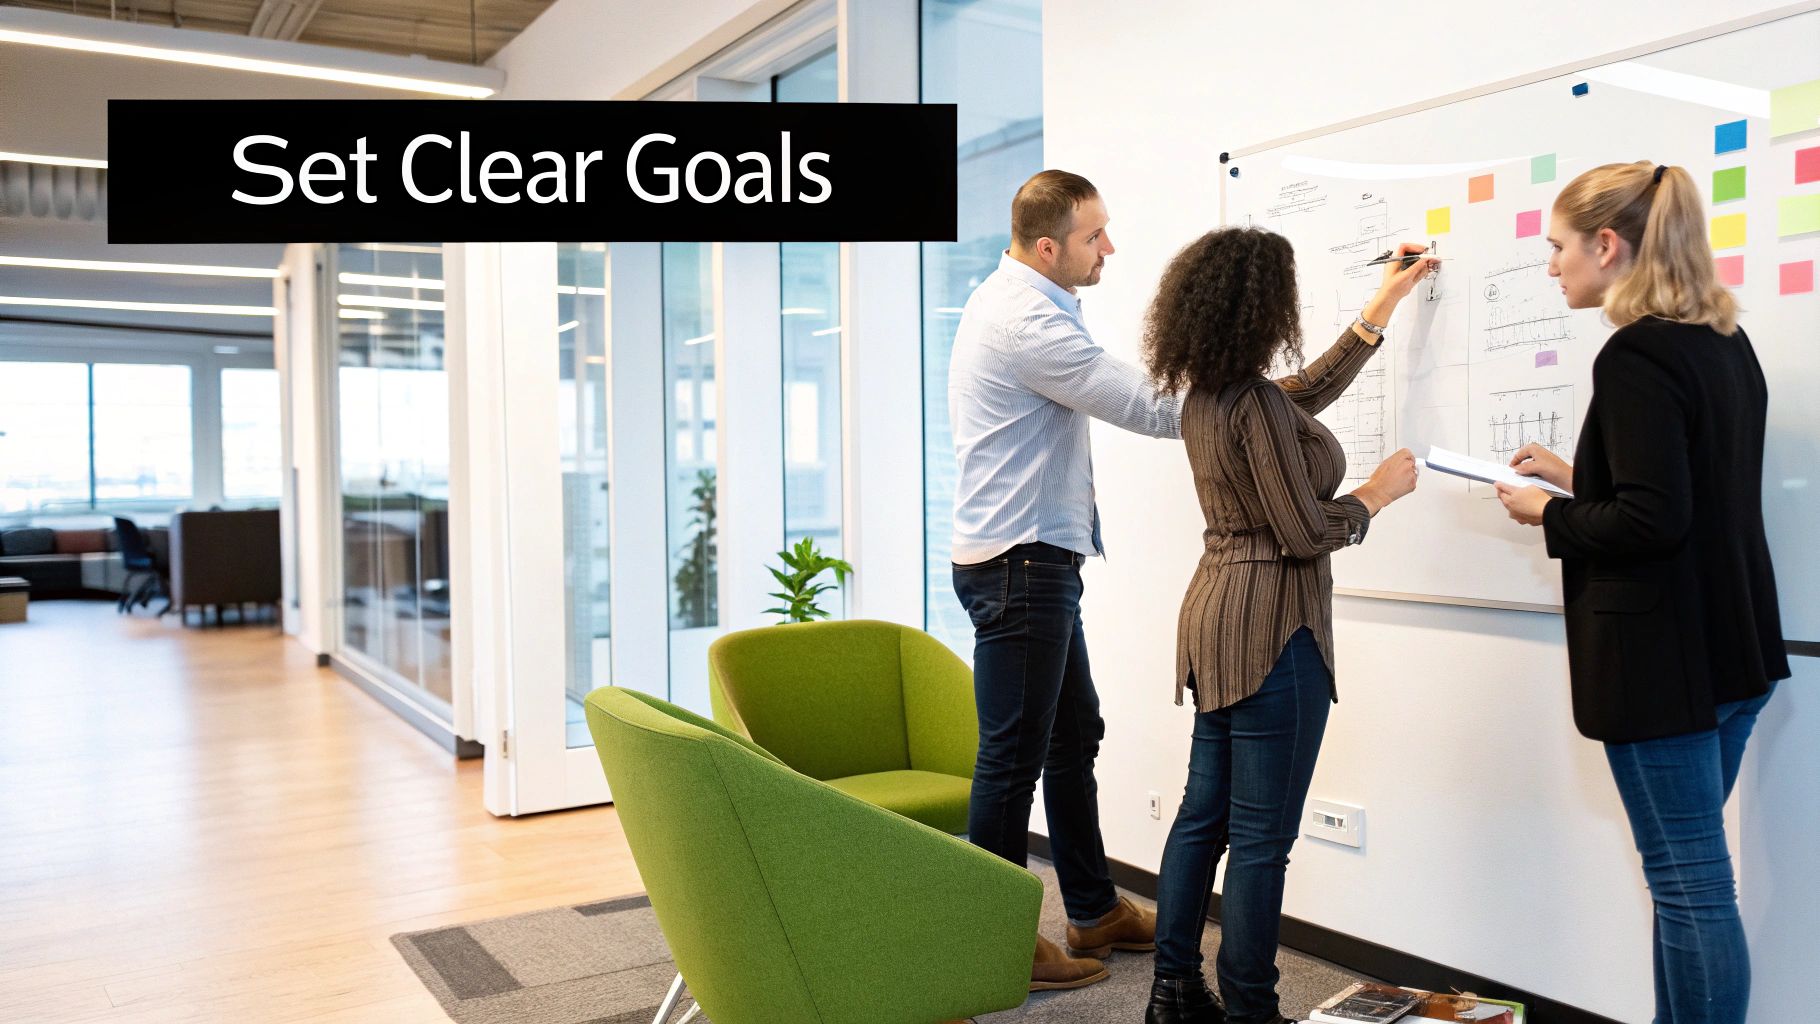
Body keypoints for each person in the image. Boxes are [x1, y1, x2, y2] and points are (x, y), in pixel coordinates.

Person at [1493, 161, 1788, 1024]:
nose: (1552, 267)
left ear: (1608, 245)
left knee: (1692, 884)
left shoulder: (1637, 353)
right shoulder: (1722, 341)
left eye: (1557, 248)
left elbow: (1652, 523)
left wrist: (1550, 513)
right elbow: (1685, 494)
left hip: (1667, 670)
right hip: (1734, 653)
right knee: (1685, 877)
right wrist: (1577, 475)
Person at [1139, 228, 1435, 1024]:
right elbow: (1305, 533)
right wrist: (1375, 494)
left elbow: (1303, 390)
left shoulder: (1211, 395)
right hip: (1274, 634)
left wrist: (1382, 306)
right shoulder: (1255, 405)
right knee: (1262, 839)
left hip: (1214, 622)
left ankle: (1172, 992)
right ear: (1260, 307)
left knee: (1203, 817)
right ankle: (1251, 1009)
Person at [949, 169, 1179, 991]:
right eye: (1094, 235)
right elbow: (1149, 406)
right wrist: (1252, 399)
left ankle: (1092, 909)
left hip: (1035, 560)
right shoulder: (1025, 323)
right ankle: (991, 941)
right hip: (1021, 566)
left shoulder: (1032, 300)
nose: (1109, 247)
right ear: (1047, 246)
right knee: (1012, 759)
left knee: (1071, 735)